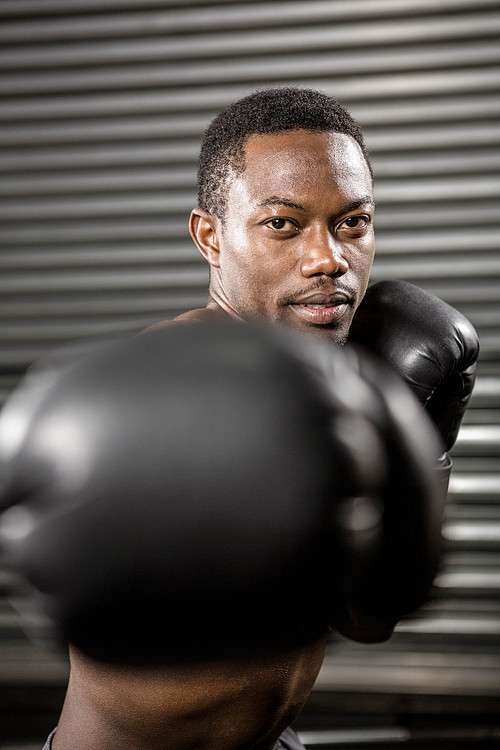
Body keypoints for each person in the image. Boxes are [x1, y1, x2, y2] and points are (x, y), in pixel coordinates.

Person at [0, 87, 478, 750]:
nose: (328, 259)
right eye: (283, 224)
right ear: (209, 237)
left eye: (353, 222)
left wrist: (421, 442)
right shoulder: (166, 392)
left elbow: (369, 617)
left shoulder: (334, 385)